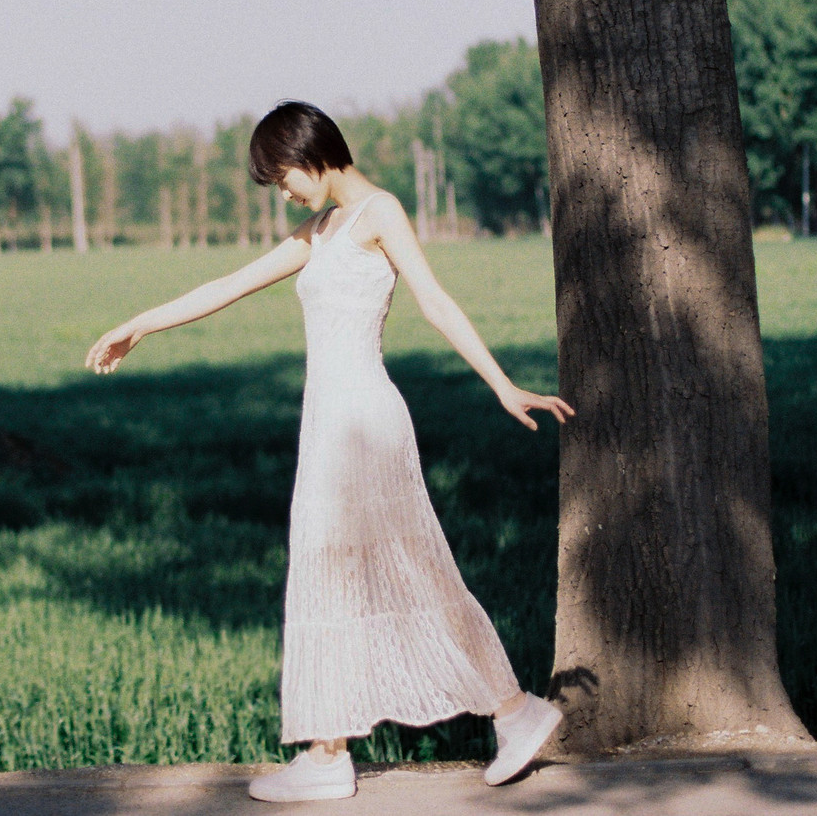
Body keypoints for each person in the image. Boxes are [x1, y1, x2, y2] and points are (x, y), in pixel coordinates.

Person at [85, 101, 575, 801]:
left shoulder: (379, 211)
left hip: (365, 422)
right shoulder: (319, 231)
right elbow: (228, 286)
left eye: (282, 177)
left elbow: (434, 300)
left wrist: (502, 386)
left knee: (409, 567)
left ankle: (511, 711)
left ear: (311, 151)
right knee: (332, 570)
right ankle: (329, 751)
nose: (282, 192)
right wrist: (139, 324)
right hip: (329, 424)